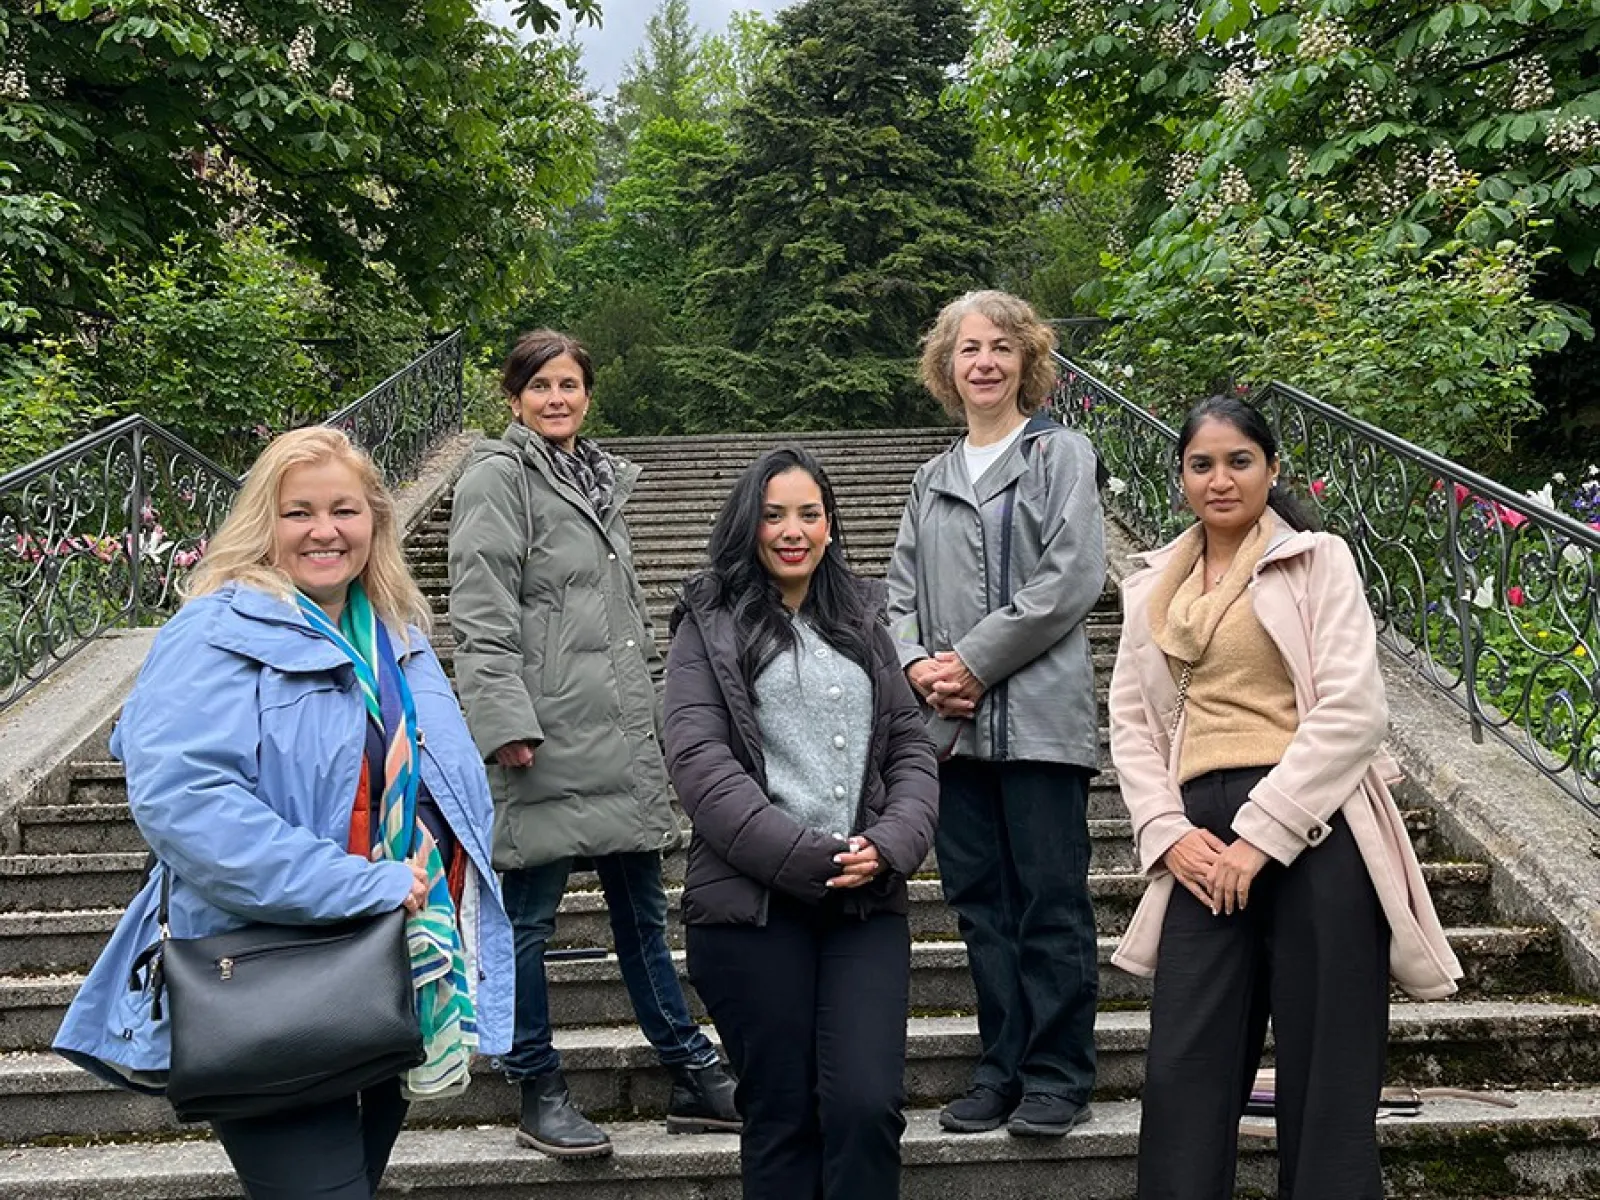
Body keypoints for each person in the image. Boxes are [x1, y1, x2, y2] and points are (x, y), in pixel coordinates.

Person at [54, 426, 514, 1199]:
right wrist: (357, 883)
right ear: (263, 523)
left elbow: (449, 780)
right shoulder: (212, 632)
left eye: (345, 509)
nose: (325, 531)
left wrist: (440, 882)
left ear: (376, 520)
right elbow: (187, 804)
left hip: (394, 967)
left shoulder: (397, 632)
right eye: (299, 512)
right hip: (266, 975)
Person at [1108, 395, 1464, 1200]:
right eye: (1202, 464)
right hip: (1199, 846)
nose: (1221, 479)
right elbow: (1130, 724)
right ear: (1181, 479)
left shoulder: (1318, 560)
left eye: (1240, 461)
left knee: (1327, 1081)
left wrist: (1260, 836)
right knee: (1182, 1076)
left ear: (1272, 470)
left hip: (1314, 831)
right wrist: (1166, 833)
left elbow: (1354, 709)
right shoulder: (1152, 587)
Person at [447, 329, 738, 1159]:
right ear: (514, 398)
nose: (556, 398)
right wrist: (501, 720)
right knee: (530, 922)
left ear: (587, 393)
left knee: (643, 916)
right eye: (540, 385)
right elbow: (481, 608)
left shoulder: (599, 479)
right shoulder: (498, 478)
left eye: (569, 384)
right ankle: (537, 1085)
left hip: (616, 736)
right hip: (541, 737)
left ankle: (691, 1070)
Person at [663, 446, 939, 1200]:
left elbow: (912, 748)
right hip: (751, 911)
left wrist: (889, 845)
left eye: (809, 514)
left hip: (863, 903)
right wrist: (807, 856)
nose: (793, 530)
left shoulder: (862, 613)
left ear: (829, 525)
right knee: (783, 1116)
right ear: (749, 523)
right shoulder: (707, 621)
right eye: (775, 514)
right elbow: (700, 767)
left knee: (866, 1106)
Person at [885, 289, 1106, 1138]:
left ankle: (1058, 1074)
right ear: (947, 366)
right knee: (980, 908)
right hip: (950, 733)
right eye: (967, 348)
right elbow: (897, 593)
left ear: (1027, 361)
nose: (983, 362)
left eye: (1000, 348)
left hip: (1043, 729)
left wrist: (971, 661)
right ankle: (999, 1071)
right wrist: (917, 668)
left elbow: (1071, 577)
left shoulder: (1061, 455)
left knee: (1050, 905)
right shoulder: (930, 477)